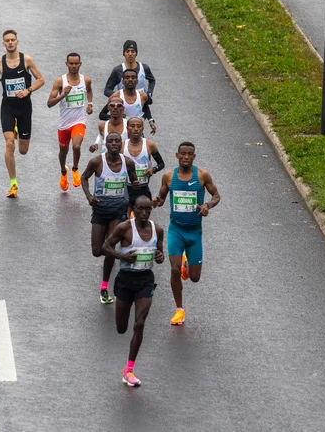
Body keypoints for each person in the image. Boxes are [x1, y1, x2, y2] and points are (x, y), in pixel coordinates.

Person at [153, 141, 220, 325]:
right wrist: (155, 201)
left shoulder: (202, 175)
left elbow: (216, 196)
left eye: (190, 154)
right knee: (173, 269)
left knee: (195, 278)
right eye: (183, 153)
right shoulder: (168, 177)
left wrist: (207, 205)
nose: (186, 157)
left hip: (194, 233)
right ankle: (179, 310)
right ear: (177, 155)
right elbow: (161, 198)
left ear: (194, 156)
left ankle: (185, 263)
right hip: (176, 230)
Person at [102, 195, 165, 387]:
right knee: (121, 328)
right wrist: (122, 255)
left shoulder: (158, 230)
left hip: (145, 280)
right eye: (141, 209)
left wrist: (160, 257)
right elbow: (105, 246)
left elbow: (160, 255)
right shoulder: (124, 228)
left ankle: (129, 369)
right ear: (134, 210)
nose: (145, 213)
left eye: (148, 210)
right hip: (125, 280)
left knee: (139, 323)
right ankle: (128, 365)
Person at [0, 29, 45, 197]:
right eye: (7, 40)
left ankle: (17, 131)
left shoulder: (27, 60)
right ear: (3, 44)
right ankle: (13, 184)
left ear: (17, 42)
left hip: (24, 108)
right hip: (7, 107)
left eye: (12, 40)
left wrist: (28, 90)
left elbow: (41, 79)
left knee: (23, 150)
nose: (10, 43)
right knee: (9, 144)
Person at [81, 133, 139, 304]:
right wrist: (88, 195)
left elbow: (133, 180)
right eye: (110, 141)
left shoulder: (127, 162)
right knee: (97, 250)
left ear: (121, 144)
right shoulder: (97, 162)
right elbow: (84, 177)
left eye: (117, 141)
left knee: (110, 247)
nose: (114, 144)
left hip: (119, 210)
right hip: (100, 210)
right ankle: (120, 256)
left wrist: (134, 185)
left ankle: (104, 287)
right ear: (106, 144)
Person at [46, 53, 93, 191]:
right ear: (66, 64)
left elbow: (89, 91)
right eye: (71, 63)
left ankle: (75, 169)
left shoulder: (86, 80)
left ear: (80, 64)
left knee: (76, 146)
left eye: (76, 63)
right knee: (63, 151)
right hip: (64, 124)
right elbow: (49, 103)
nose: (74, 66)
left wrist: (90, 103)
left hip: (79, 121)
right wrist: (63, 95)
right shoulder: (60, 82)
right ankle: (63, 171)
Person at [122, 117, 164, 216]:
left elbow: (161, 164)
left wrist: (153, 169)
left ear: (142, 128)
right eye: (132, 126)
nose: (136, 129)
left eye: (139, 126)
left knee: (142, 220)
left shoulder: (150, 145)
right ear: (127, 128)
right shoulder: (122, 146)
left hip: (143, 189)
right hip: (126, 190)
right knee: (124, 222)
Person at [100, 69, 156, 135]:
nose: (130, 80)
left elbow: (145, 107)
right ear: (123, 81)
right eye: (127, 77)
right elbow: (102, 115)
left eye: (133, 77)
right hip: (120, 133)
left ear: (137, 81)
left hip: (136, 133)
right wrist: (117, 117)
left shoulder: (143, 96)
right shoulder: (116, 96)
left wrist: (150, 121)